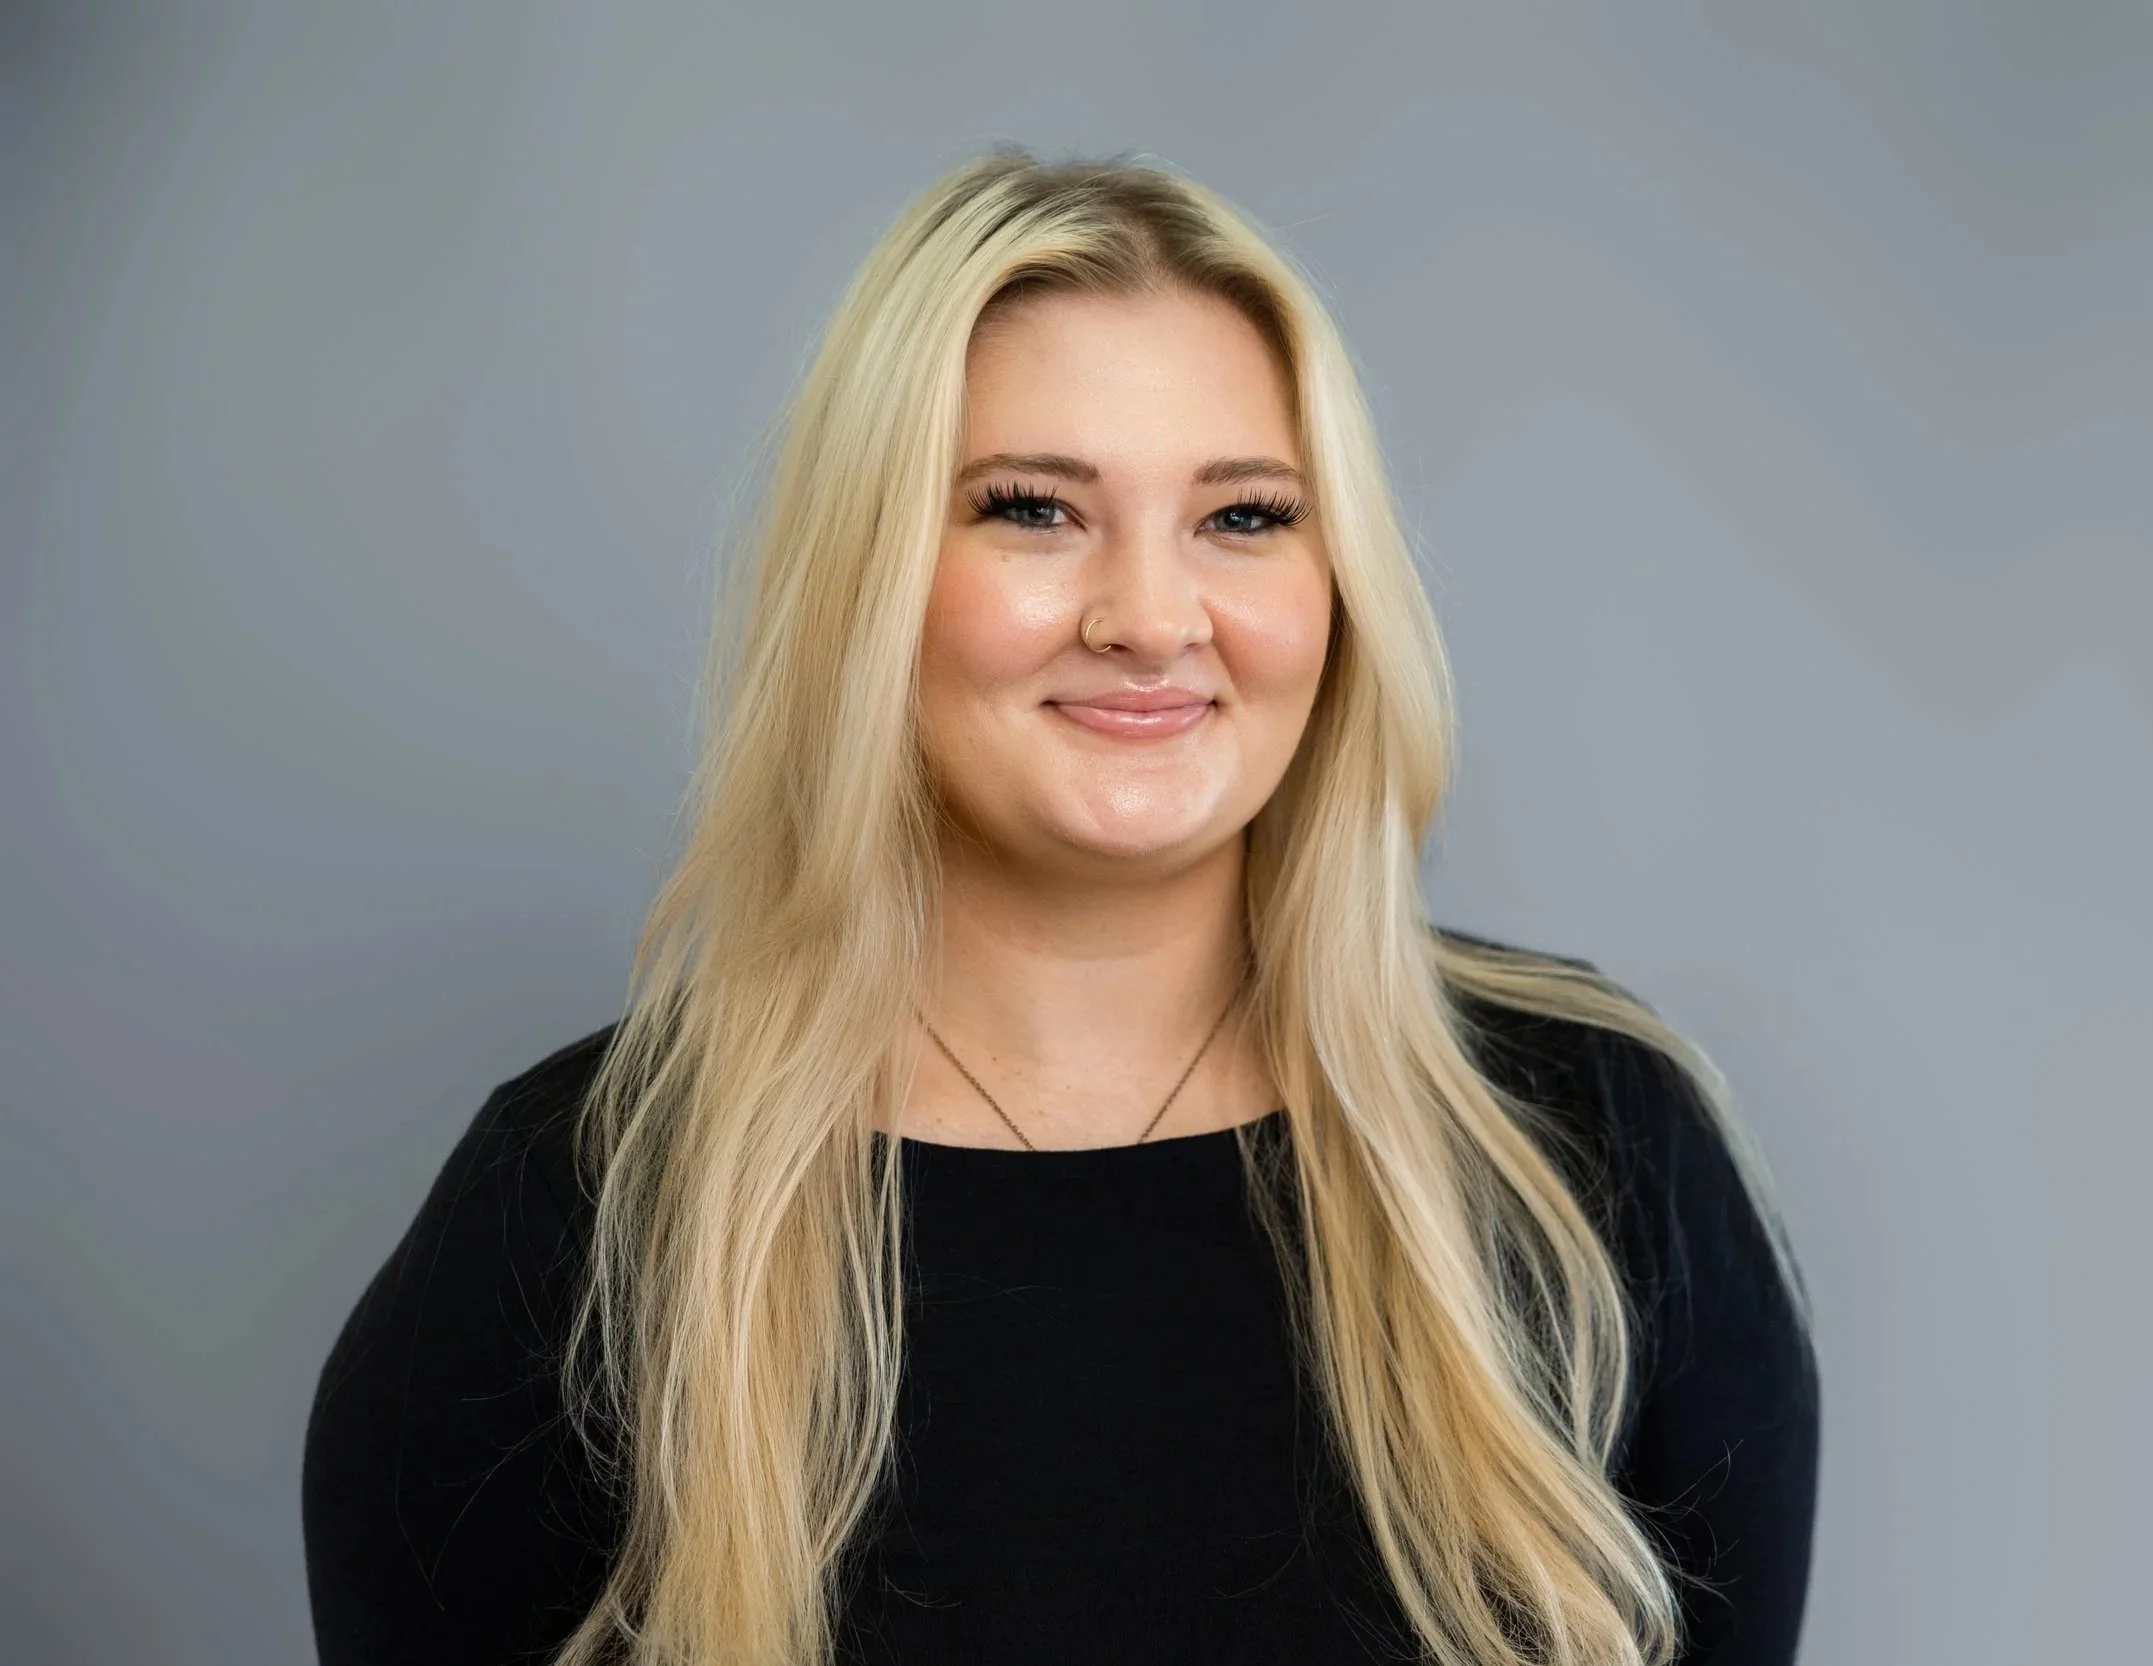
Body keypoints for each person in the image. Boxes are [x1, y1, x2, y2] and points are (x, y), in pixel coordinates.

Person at [302, 149, 1818, 1666]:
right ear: (870, 577)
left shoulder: (1595, 1155)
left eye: (1245, 517)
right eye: (1033, 508)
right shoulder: (577, 1219)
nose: (1150, 618)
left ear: (1340, 585)